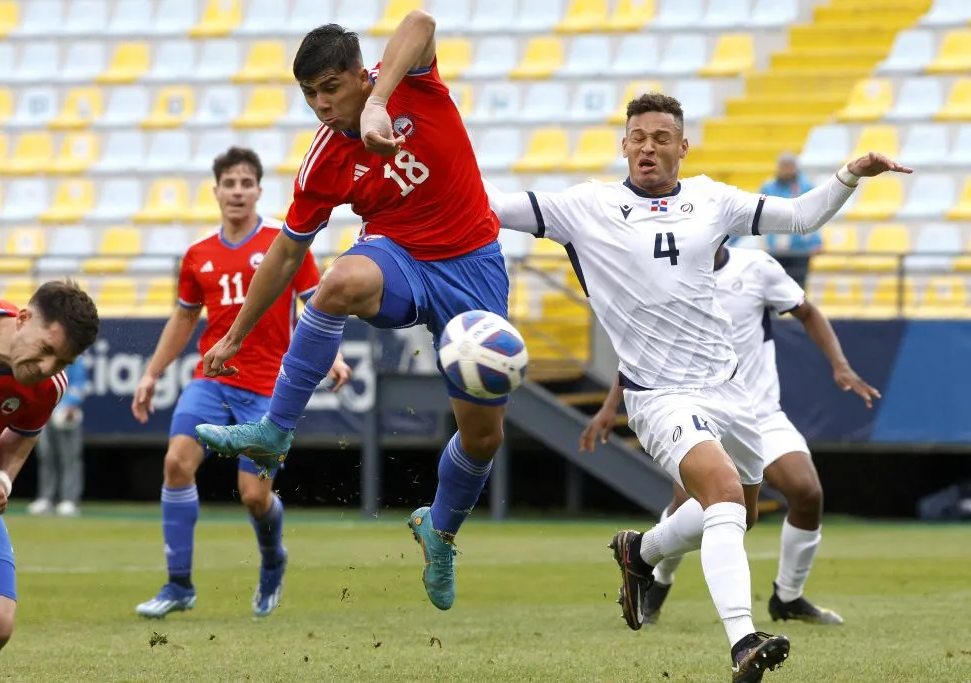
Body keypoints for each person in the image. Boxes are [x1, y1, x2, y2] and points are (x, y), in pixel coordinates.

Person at [484, 92, 911, 681]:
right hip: (659, 395)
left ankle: (643, 551)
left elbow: (800, 217)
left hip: (731, 391)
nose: (648, 147)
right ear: (624, 145)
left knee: (743, 512)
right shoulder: (586, 206)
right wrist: (425, 168)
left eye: (661, 137)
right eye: (638, 137)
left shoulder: (713, 200)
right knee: (724, 498)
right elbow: (495, 206)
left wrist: (849, 175)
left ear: (682, 148)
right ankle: (743, 641)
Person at [194, 14, 508, 612]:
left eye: (331, 88)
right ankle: (276, 430)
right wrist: (236, 333)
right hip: (400, 260)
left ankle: (438, 531)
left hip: (474, 266)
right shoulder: (324, 161)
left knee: (484, 436)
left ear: (361, 75)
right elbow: (287, 252)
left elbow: (420, 19)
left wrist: (378, 104)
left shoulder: (412, 84)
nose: (321, 105)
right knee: (338, 281)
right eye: (310, 94)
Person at [581, 242, 882, 628]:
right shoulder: (669, 277)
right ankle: (657, 581)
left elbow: (807, 311)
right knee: (688, 504)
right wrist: (610, 406)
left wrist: (840, 366)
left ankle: (788, 597)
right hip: (696, 409)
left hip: (758, 412)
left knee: (807, 493)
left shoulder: (756, 268)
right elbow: (643, 352)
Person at [130, 147, 352, 619]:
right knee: (176, 464)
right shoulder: (197, 255)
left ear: (257, 190)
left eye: (245, 183)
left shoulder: (284, 243)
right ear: (215, 191)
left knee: (254, 496)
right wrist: (152, 374)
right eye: (228, 183)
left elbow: (318, 303)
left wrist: (333, 355)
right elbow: (184, 319)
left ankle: (273, 562)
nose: (237, 191)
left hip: (272, 387)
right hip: (212, 381)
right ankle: (178, 585)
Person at [0, 281, 99, 669]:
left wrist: (3, 479)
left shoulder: (49, 387)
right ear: (23, 318)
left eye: (62, 362)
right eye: (47, 350)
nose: (47, 368)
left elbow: (24, 433)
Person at [28, 354, 88, 517]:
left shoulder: (74, 356)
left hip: (66, 414)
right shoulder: (45, 354)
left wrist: (69, 405)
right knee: (46, 455)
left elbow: (79, 384)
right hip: (45, 412)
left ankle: (69, 500)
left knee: (69, 458)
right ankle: (46, 498)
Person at [759, 152, 819, 288]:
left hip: (800, 249)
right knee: (774, 287)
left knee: (798, 288)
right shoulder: (768, 187)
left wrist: (816, 242)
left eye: (789, 166)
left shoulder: (805, 187)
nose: (786, 170)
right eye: (783, 166)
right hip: (775, 248)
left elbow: (815, 214)